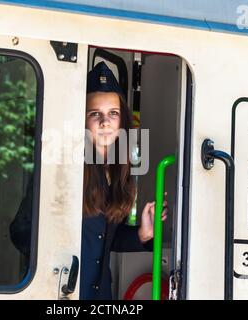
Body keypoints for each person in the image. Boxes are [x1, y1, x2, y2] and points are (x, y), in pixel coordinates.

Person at [10, 61, 167, 300]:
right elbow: (20, 232)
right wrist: (57, 264)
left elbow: (104, 241)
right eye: (95, 114)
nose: (105, 122)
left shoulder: (117, 173)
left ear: (121, 121)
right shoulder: (61, 169)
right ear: (81, 121)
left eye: (113, 114)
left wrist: (143, 234)